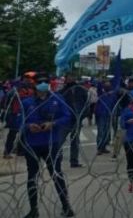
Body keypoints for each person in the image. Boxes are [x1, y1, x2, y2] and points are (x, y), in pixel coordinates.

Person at [20, 75, 75, 218]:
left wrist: (53, 124)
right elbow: (19, 121)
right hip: (32, 144)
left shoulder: (57, 99)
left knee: (57, 175)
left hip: (51, 143)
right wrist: (28, 126)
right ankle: (34, 210)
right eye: (40, 82)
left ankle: (66, 207)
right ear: (34, 85)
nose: (43, 84)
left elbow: (67, 116)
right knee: (32, 177)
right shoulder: (27, 102)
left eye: (46, 82)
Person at [61, 75, 88, 168]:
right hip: (65, 120)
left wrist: (82, 115)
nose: (69, 79)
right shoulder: (63, 91)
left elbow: (86, 104)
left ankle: (74, 161)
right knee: (60, 140)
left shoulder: (81, 90)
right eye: (68, 78)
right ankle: (57, 158)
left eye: (71, 78)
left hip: (77, 119)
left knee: (75, 141)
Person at [95, 80, 116, 155]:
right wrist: (101, 78)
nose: (108, 84)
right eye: (106, 83)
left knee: (107, 132)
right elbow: (99, 85)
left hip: (108, 114)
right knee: (101, 131)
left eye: (109, 83)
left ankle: (103, 147)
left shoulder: (112, 94)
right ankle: (99, 148)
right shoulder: (101, 94)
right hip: (101, 114)